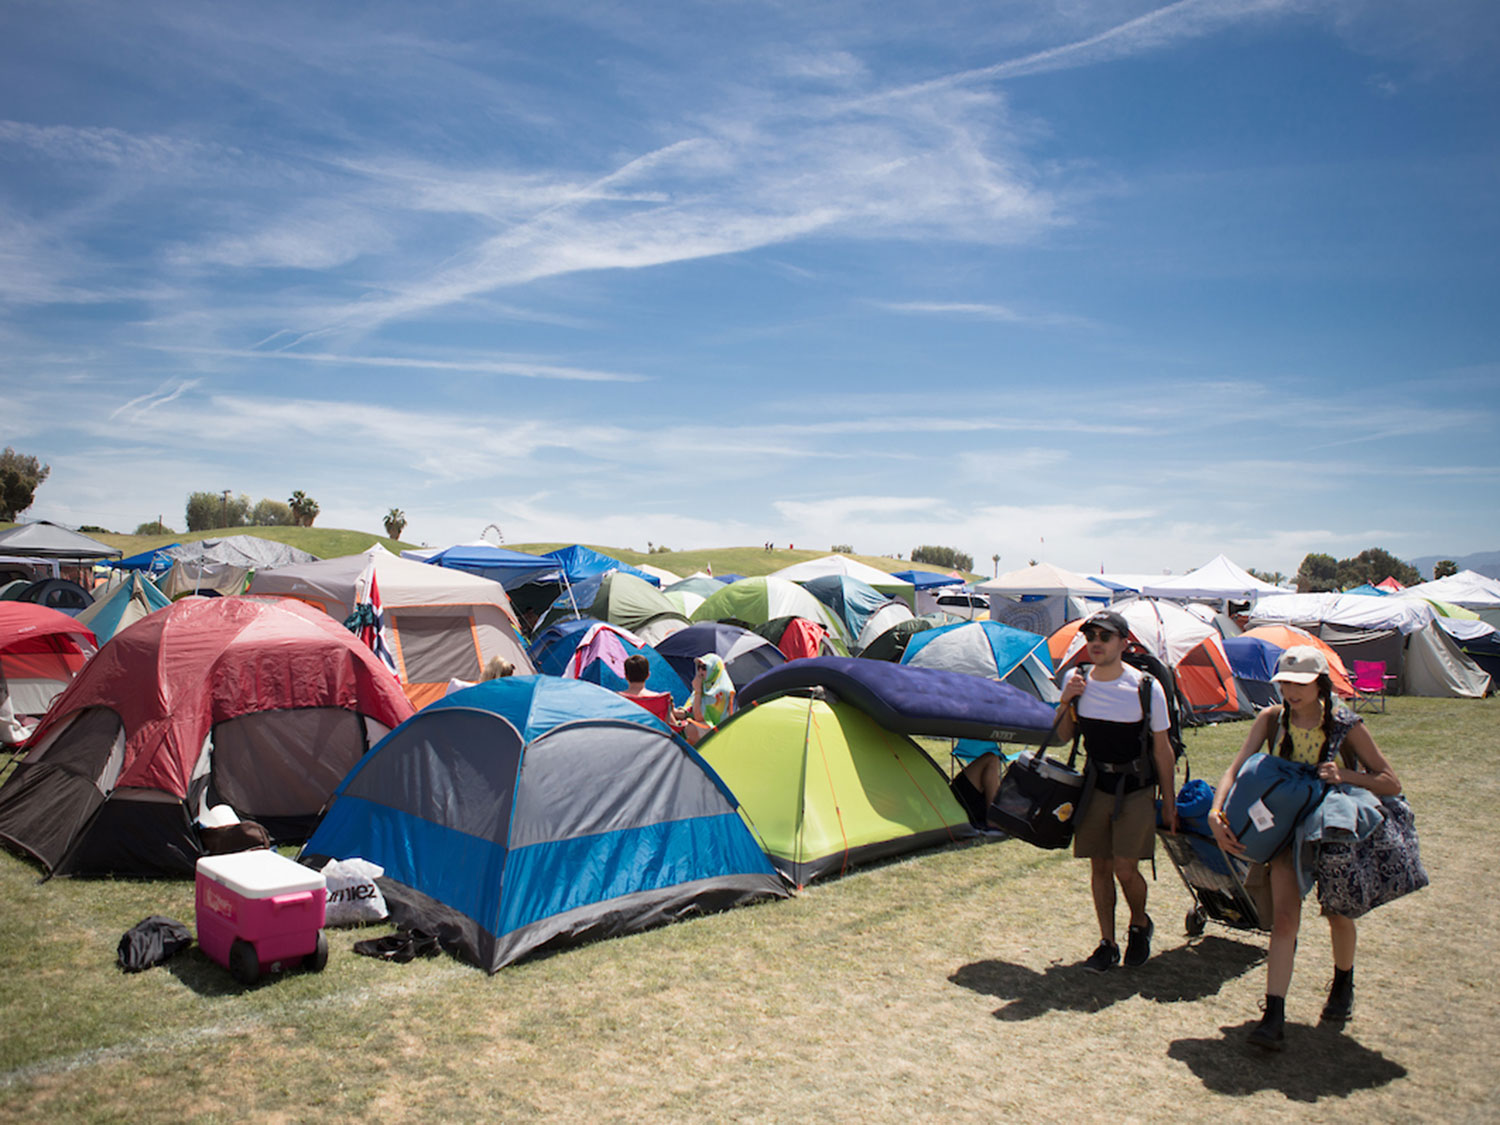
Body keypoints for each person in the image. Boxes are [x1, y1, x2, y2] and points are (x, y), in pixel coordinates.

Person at [1209, 646, 1400, 1051]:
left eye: (1300, 684)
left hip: (1330, 830)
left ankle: (1343, 982)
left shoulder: (1346, 724)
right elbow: (1238, 766)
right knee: (1283, 921)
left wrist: (1345, 774)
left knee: (1337, 913)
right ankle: (1273, 1015)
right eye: (1285, 683)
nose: (1291, 691)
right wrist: (1215, 810)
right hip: (1283, 831)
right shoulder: (1272, 719)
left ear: (1320, 683)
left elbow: (1389, 782)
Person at [1054, 609, 1178, 972]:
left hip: (1137, 787)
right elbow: (1062, 736)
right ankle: (1106, 943)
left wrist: (1168, 802)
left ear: (1124, 643)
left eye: (1104, 637)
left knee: (1126, 869)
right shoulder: (1076, 680)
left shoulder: (1145, 688)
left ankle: (1139, 923)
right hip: (1096, 785)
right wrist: (1066, 701)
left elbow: (1162, 748)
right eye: (1090, 636)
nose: (1095, 643)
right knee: (1100, 866)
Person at [618, 653, 688, 730]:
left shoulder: (616, 699)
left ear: (626, 676)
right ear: (648, 675)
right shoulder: (661, 699)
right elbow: (672, 727)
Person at [683, 653, 735, 745]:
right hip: (704, 727)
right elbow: (688, 710)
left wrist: (698, 691)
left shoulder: (721, 691)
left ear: (714, 669)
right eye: (698, 667)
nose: (700, 671)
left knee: (690, 729)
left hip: (717, 731)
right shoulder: (705, 686)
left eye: (704, 667)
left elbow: (699, 717)